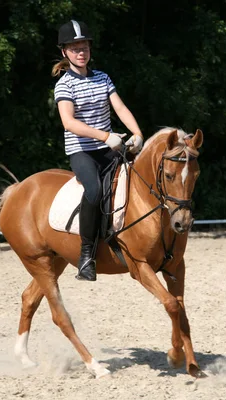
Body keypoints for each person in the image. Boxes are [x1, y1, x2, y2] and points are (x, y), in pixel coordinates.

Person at [52, 20, 144, 282]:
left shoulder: (103, 78)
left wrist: (137, 134)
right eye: (74, 48)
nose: (81, 52)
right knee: (94, 190)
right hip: (83, 152)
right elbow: (69, 122)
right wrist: (105, 136)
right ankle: (86, 256)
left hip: (110, 146)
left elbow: (121, 109)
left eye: (84, 47)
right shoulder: (64, 85)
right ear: (64, 52)